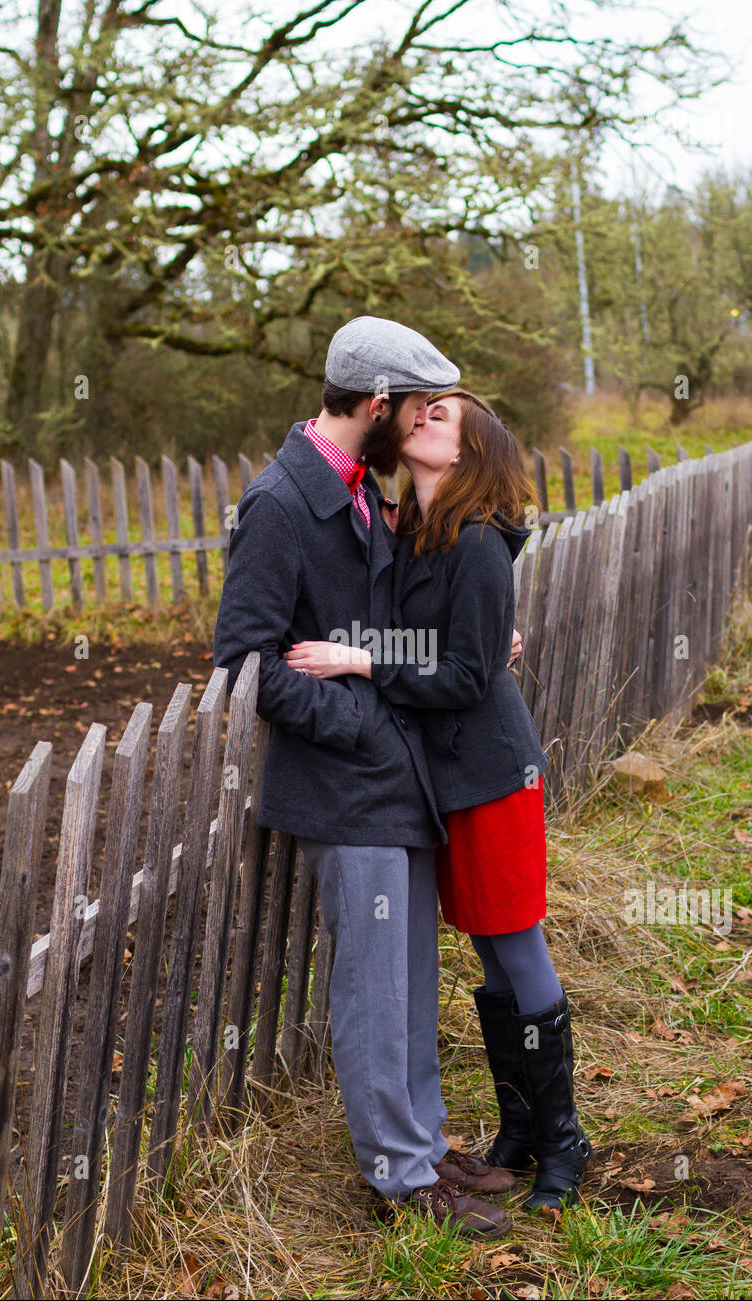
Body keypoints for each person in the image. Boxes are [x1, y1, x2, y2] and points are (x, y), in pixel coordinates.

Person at [214, 320, 516, 1241]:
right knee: (374, 989)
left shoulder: (357, 491)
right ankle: (399, 1176)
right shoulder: (281, 503)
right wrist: (365, 728)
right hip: (347, 785)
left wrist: (462, 647)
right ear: (378, 406)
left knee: (408, 979)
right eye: (419, 410)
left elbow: (378, 626)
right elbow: (245, 662)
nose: (428, 424)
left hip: (395, 777)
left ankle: (421, 1144)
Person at [285, 388, 594, 1212]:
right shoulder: (418, 533)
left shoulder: (480, 543)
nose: (423, 418)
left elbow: (461, 677)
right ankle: (522, 1126)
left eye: (443, 417)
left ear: (466, 453)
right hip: (448, 781)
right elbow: (450, 646)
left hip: (493, 774)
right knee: (491, 955)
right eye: (422, 410)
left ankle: (564, 1140)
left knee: (517, 946)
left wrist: (360, 662)